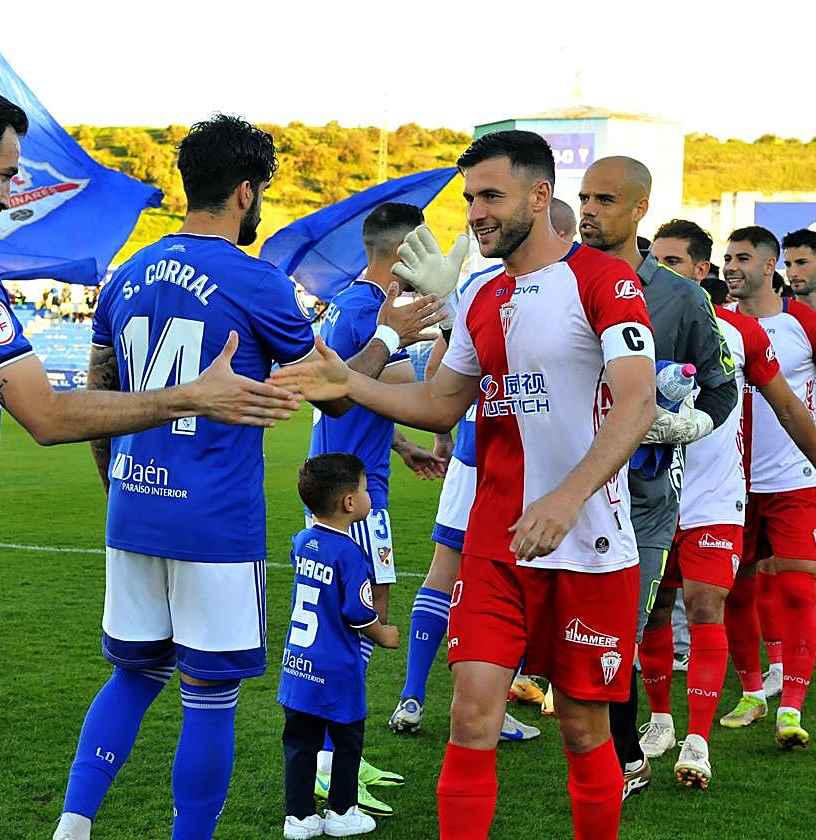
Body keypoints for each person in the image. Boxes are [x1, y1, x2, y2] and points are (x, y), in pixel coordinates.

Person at [0, 92, 301, 840]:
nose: (14, 192)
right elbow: (48, 414)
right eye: (8, 173)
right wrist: (195, 396)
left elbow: (89, 381)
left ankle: (74, 824)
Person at [54, 114, 440, 840]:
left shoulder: (127, 272)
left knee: (133, 676)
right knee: (208, 695)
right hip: (214, 521)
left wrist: (116, 486)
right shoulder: (257, 281)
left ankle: (72, 827)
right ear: (244, 190)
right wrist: (393, 334)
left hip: (132, 510)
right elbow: (333, 387)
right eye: (260, 190)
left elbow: (100, 390)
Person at [273, 129, 658, 840]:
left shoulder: (605, 282)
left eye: (491, 196)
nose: (476, 212)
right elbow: (441, 403)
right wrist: (347, 381)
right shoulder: (484, 298)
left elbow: (638, 401)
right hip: (496, 544)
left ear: (540, 196)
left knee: (580, 728)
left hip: (589, 546)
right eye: (471, 197)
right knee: (472, 715)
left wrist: (566, 496)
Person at [638, 220, 816, 786]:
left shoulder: (743, 334)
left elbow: (792, 407)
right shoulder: (630, 327)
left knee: (708, 605)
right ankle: (661, 720)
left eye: (674, 263)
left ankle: (698, 740)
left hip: (720, 497)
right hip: (650, 496)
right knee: (653, 611)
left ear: (701, 272)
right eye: (657, 262)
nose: (659, 273)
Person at [389, 196, 579, 737]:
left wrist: (446, 432)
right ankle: (494, 706)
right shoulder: (550, 289)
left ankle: (412, 697)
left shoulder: (481, 288)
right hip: (515, 463)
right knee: (514, 583)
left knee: (446, 573)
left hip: (476, 450)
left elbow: (443, 369)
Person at [577, 158, 737, 798]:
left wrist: (687, 427)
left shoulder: (679, 296)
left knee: (619, 628)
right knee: (571, 642)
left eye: (605, 199)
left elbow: (721, 389)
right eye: (583, 198)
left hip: (640, 502)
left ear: (639, 209)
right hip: (562, 497)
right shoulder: (554, 282)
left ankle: (623, 753)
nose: (589, 210)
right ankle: (604, 744)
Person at [304, 202, 443, 809]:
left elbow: (366, 400)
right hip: (354, 502)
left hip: (356, 487)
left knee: (352, 626)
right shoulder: (373, 313)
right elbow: (422, 393)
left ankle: (340, 759)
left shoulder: (354, 308)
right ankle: (333, 767)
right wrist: (458, 332)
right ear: (405, 249)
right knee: (355, 626)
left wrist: (406, 445)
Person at [717, 225, 816, 749]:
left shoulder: (805, 325)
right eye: (727, 257)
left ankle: (791, 708)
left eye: (742, 258)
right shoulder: (715, 323)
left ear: (770, 267)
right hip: (728, 483)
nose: (731, 267)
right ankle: (751, 691)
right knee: (733, 592)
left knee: (794, 588)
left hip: (794, 480)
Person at [280, 454, 400, 840]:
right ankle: (342, 812)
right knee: (347, 741)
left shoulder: (303, 541)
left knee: (300, 742)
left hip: (298, 664)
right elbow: (359, 615)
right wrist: (385, 634)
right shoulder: (350, 554)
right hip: (336, 670)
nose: (369, 496)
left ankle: (298, 817)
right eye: (365, 490)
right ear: (349, 503)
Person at [781, 229, 816, 670]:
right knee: (779, 572)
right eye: (788, 264)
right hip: (789, 471)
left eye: (803, 263)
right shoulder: (775, 325)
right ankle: (779, 664)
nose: (793, 272)